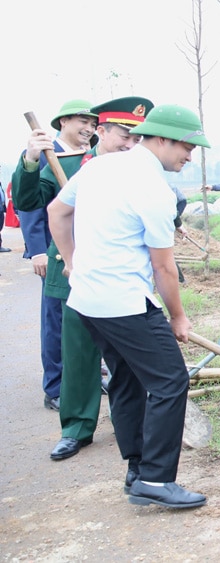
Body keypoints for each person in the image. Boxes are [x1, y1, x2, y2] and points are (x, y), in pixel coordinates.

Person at [47, 104, 211, 509]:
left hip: (86, 300)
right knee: (171, 381)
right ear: (161, 139)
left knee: (127, 380)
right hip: (123, 302)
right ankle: (156, 480)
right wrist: (177, 316)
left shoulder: (100, 167)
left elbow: (58, 212)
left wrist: (72, 262)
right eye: (187, 147)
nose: (190, 156)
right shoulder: (153, 189)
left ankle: (137, 469)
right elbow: (163, 267)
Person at [15, 97, 154, 460]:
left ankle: (139, 429)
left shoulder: (140, 170)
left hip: (126, 275)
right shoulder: (68, 165)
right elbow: (29, 203)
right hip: (75, 272)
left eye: (137, 139)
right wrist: (31, 160)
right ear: (102, 133)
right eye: (124, 135)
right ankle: (76, 427)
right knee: (77, 352)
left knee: (131, 355)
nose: (130, 144)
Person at [11, 98, 99, 412]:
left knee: (89, 319)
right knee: (56, 323)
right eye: (82, 122)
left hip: (91, 252)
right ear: (62, 122)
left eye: (93, 124)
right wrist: (37, 251)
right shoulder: (45, 155)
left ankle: (88, 375)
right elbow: (30, 207)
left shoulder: (91, 156)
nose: (88, 129)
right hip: (56, 254)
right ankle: (56, 385)